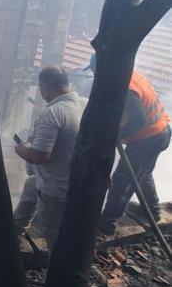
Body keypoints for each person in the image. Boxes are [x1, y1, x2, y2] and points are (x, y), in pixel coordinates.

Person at [12, 66, 85, 248]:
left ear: (44, 86)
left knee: (55, 238)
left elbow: (40, 156)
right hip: (73, 178)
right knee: (31, 186)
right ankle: (12, 235)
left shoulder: (52, 114)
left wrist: (21, 150)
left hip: (56, 187)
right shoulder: (85, 103)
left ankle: (58, 273)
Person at [99, 69, 170, 234]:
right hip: (160, 132)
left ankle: (108, 224)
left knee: (123, 179)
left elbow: (139, 118)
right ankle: (152, 210)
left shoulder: (127, 88)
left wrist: (118, 136)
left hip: (149, 137)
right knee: (142, 173)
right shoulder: (131, 75)